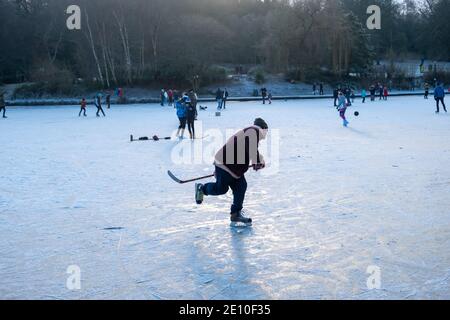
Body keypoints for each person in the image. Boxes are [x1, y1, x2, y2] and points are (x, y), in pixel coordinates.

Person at [195, 118, 268, 226]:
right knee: (221, 189)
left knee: (241, 186)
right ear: (264, 129)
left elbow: (249, 149)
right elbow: (252, 149)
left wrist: (259, 161)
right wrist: (257, 161)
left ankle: (235, 214)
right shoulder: (254, 131)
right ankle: (202, 188)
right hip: (226, 165)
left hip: (232, 167)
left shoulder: (248, 132)